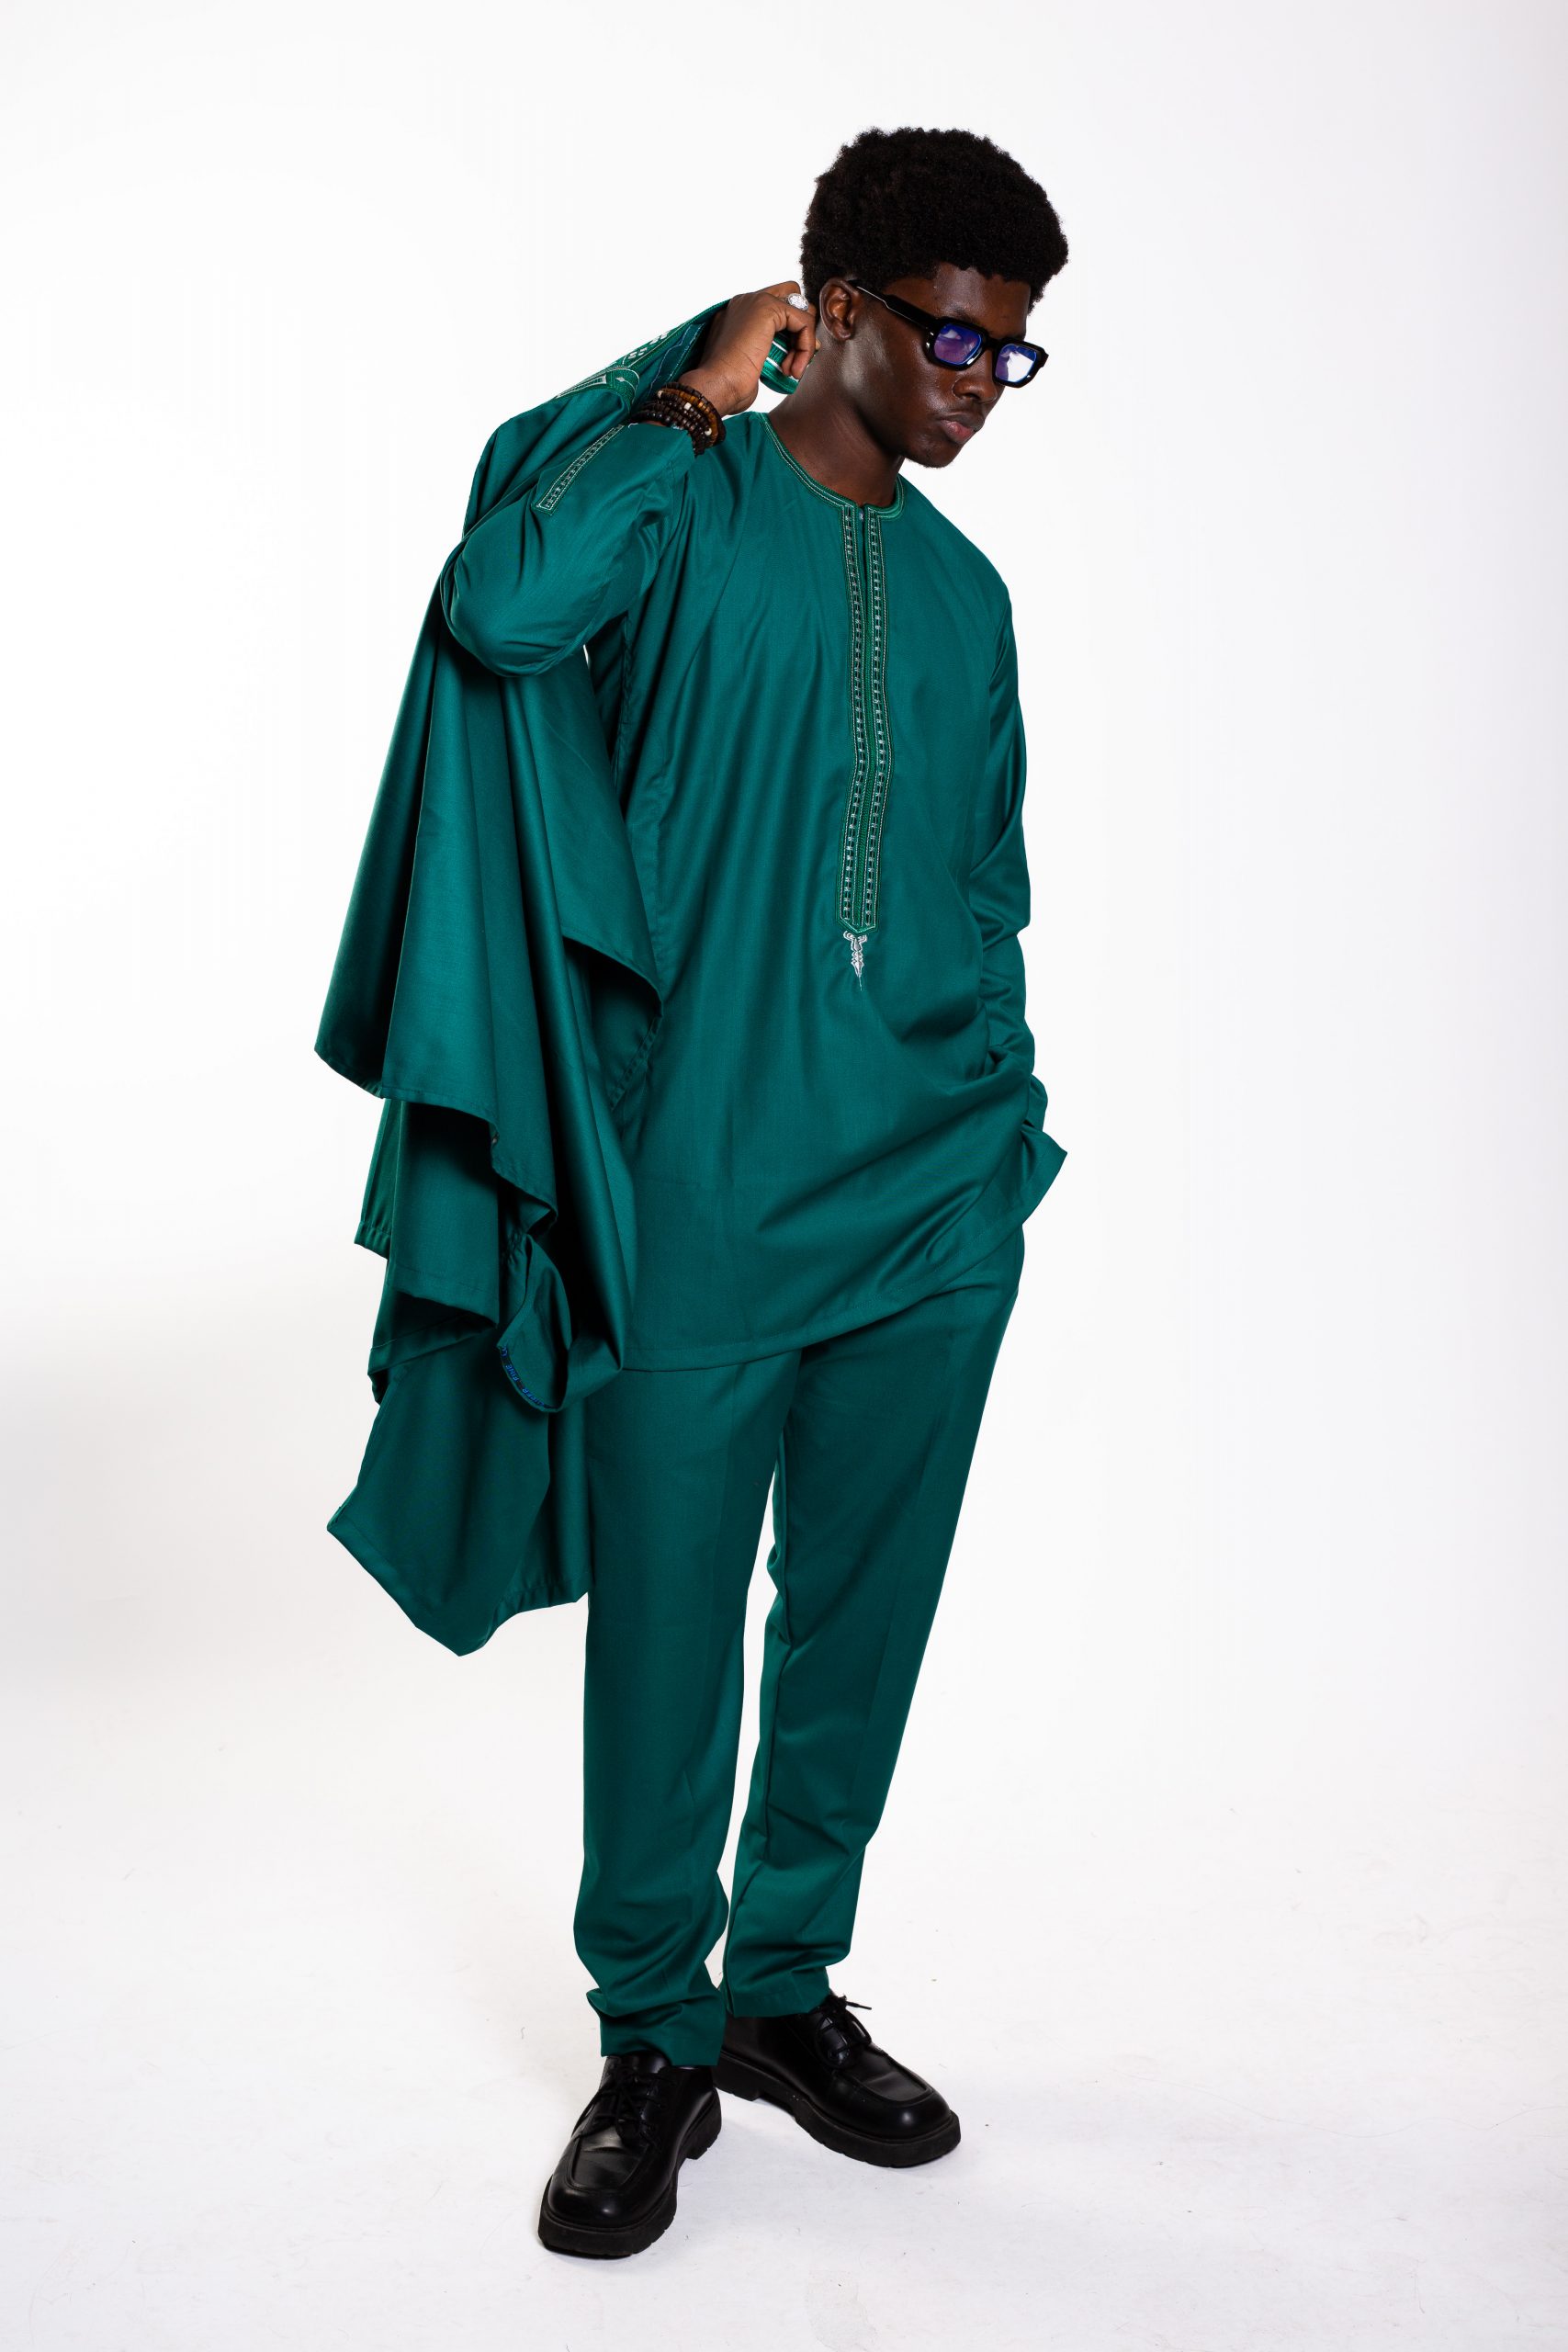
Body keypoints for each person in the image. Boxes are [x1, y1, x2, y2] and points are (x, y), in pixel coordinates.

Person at [439, 123, 1070, 2259]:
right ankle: (651, 2034)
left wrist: (1000, 1136)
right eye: (953, 336)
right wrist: (685, 383)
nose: (981, 384)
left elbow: (980, 882)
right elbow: (499, 610)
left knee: (857, 1623)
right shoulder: (681, 502)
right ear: (839, 309)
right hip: (694, 1192)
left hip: (926, 1208)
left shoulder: (969, 599)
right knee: (669, 1634)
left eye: (1012, 352)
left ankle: (781, 1989)